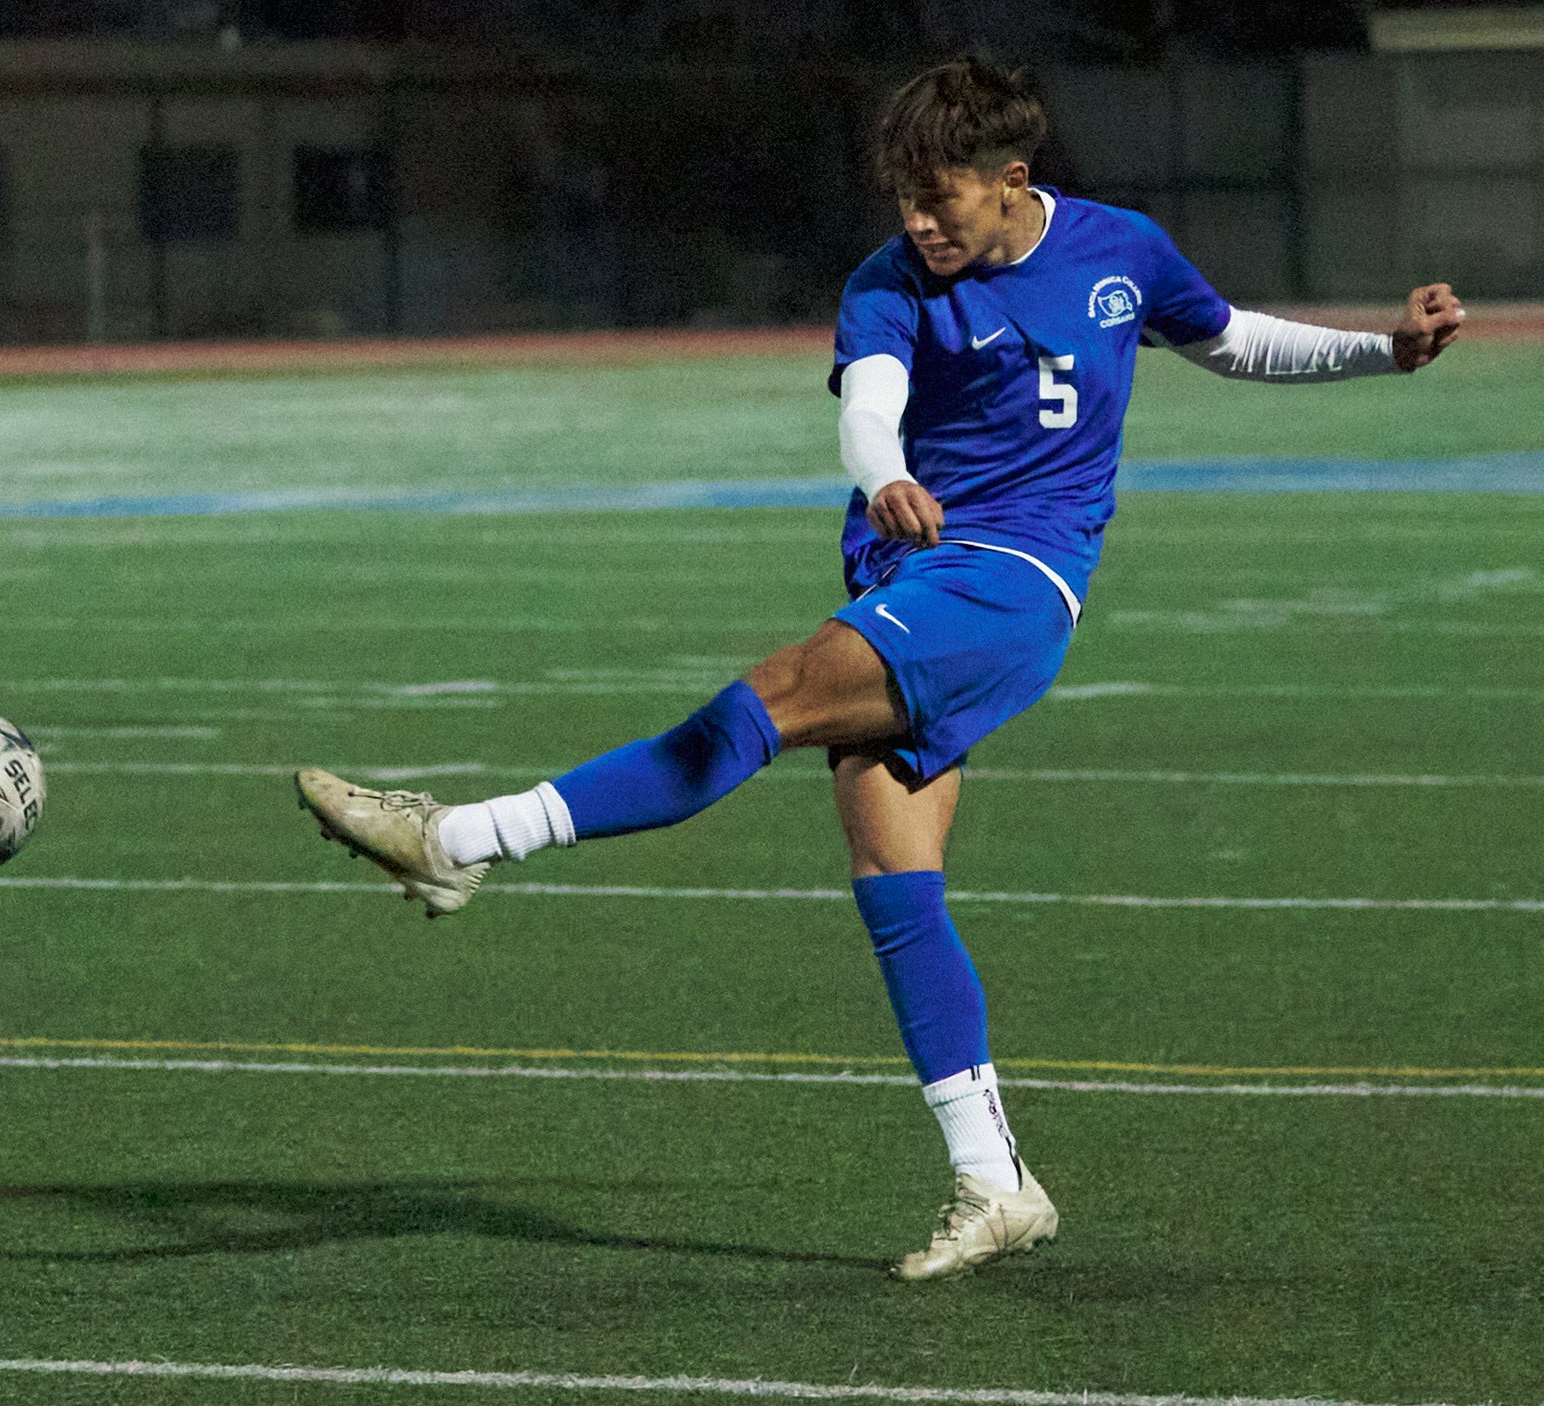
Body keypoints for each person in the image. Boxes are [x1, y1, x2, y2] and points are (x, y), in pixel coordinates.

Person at [297, 57, 1463, 1281]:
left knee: (765, 704)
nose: (916, 222)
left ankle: (462, 840)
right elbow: (870, 405)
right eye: (902, 199)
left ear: (1013, 182)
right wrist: (882, 473)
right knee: (893, 880)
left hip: (1013, 581)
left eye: (939, 199)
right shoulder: (887, 283)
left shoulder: (1121, 250)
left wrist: (1381, 349)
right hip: (915, 578)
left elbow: (1228, 340)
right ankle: (993, 1176)